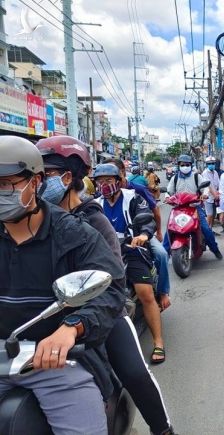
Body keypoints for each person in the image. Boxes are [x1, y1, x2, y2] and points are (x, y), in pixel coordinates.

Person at [35, 136, 175, 435]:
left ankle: (163, 429)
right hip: (45, 318)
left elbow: (109, 281)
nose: (39, 184)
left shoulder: (93, 221)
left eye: (46, 175)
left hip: (100, 311)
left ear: (69, 176)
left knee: (135, 373)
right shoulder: (32, 221)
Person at [0, 136, 125, 434]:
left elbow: (109, 288)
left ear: (36, 182)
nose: (1, 193)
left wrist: (71, 328)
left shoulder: (73, 232)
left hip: (54, 361)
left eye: (8, 184)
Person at [93, 163, 168, 364]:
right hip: (103, 255)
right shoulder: (94, 204)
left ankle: (158, 342)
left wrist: (143, 235)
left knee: (145, 293)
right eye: (100, 182)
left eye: (108, 181)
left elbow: (147, 219)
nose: (104, 185)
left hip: (131, 249)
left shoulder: (133, 197)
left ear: (118, 181)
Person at [104, 158, 171, 309]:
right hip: (112, 242)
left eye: (109, 176)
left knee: (161, 254)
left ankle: (163, 291)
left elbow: (153, 211)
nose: (105, 182)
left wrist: (155, 232)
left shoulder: (136, 190)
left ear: (121, 172)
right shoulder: (101, 196)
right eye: (102, 179)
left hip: (139, 235)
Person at [166, 154, 223, 259]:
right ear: (179, 165)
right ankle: (163, 255)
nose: (185, 166)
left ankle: (215, 249)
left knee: (206, 229)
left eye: (187, 164)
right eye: (183, 164)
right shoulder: (174, 178)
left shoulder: (197, 176)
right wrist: (167, 197)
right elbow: (169, 191)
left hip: (194, 208)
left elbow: (205, 188)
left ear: (191, 165)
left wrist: (205, 194)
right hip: (179, 208)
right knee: (170, 229)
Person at [201, 155, 221, 228]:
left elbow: (218, 184)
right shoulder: (205, 173)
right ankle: (206, 231)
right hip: (208, 197)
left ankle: (210, 230)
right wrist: (215, 195)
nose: (211, 165)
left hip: (215, 197)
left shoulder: (215, 172)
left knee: (213, 215)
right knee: (209, 215)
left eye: (212, 163)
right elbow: (208, 186)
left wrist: (218, 194)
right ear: (207, 165)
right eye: (209, 163)